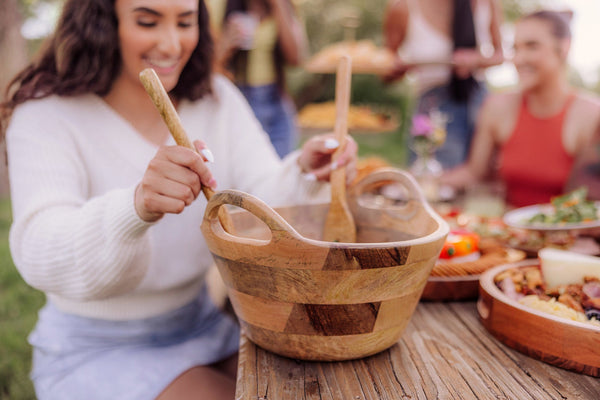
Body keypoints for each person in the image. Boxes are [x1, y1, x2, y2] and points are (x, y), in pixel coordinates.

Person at [0, 0, 357, 399]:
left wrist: (307, 173)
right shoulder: (46, 113)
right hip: (97, 347)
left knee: (318, 388)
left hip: (203, 324)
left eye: (185, 22)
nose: (171, 44)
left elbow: (259, 199)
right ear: (101, 23)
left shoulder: (216, 97)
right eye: (148, 21)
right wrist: (135, 207)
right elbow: (39, 248)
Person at [443, 10, 600, 208]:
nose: (519, 59)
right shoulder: (497, 107)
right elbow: (473, 173)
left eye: (532, 47)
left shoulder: (591, 115)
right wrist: (420, 183)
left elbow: (592, 199)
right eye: (515, 49)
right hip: (510, 233)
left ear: (563, 48)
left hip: (569, 234)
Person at [383, 0, 504, 168]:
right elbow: (386, 68)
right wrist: (398, 67)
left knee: (483, 176)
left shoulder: (486, 3)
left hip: (478, 100)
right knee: (433, 177)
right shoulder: (403, 7)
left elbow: (500, 55)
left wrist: (475, 59)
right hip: (433, 107)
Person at [210, 0, 306, 158]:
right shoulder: (221, 7)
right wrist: (227, 43)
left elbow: (295, 59)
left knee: (282, 166)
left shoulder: (284, 6)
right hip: (240, 96)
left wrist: (278, 6)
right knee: (247, 165)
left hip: (275, 98)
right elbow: (208, 67)